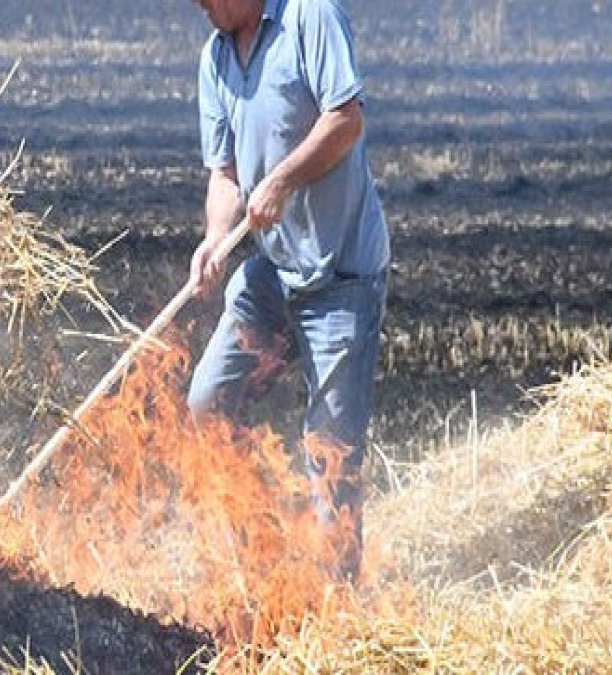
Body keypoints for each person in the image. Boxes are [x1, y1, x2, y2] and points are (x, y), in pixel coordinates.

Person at [185, 0, 390, 581]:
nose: (200, 5)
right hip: (272, 273)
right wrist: (215, 239)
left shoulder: (311, 17)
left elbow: (346, 120)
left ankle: (338, 609)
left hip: (341, 273)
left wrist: (279, 181)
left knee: (331, 449)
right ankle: (261, 560)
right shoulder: (216, 57)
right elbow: (224, 173)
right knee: (208, 402)